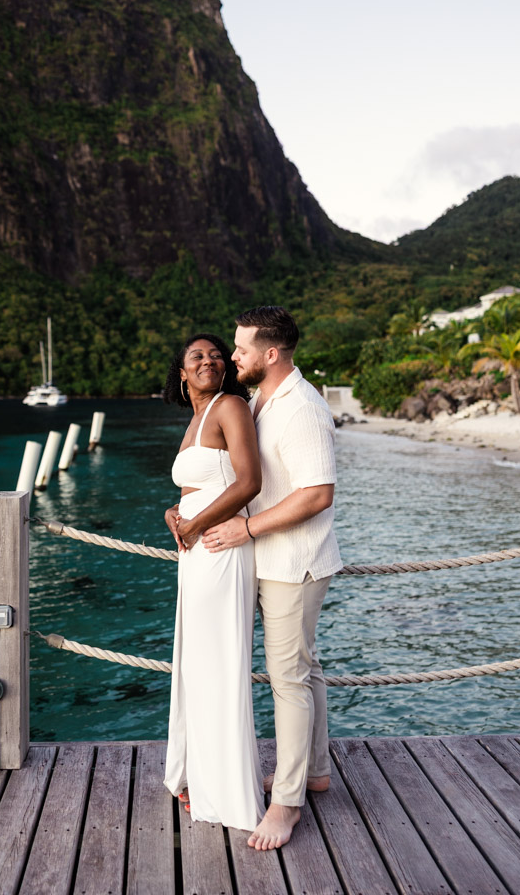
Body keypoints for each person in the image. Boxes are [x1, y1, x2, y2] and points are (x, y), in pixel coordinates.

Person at [202, 306, 342, 851]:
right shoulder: (261, 400)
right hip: (273, 559)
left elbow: (317, 493)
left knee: (287, 680)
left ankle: (286, 803)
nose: (231, 356)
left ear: (271, 353)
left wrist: (246, 529)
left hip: (294, 563)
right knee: (306, 669)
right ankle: (315, 771)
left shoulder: (303, 408)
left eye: (239, 349)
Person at [162, 332, 265, 831]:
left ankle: (226, 790)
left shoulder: (230, 407)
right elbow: (198, 485)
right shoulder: (195, 419)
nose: (209, 360)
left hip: (221, 549)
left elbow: (249, 482)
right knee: (198, 665)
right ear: (182, 374)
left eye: (216, 354)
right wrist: (175, 511)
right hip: (196, 553)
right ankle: (200, 775)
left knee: (219, 666)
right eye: (196, 357)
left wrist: (198, 524)